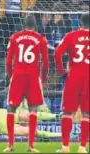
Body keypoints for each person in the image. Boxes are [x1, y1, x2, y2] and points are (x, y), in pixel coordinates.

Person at [5, 15, 49, 152]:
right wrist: (43, 79)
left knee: (11, 109)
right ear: (35, 25)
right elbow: (46, 63)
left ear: (23, 24)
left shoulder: (14, 37)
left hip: (18, 76)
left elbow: (8, 61)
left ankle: (10, 145)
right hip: (33, 77)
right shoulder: (41, 39)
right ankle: (31, 146)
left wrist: (12, 76)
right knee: (33, 110)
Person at [54, 14, 89, 153]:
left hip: (74, 76)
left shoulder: (71, 35)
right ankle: (82, 147)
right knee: (87, 113)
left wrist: (62, 72)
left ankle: (65, 147)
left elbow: (57, 53)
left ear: (80, 23)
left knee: (67, 112)